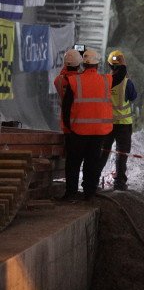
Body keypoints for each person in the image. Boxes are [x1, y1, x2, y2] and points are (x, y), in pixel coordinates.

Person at [61, 48, 117, 200]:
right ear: (97, 65)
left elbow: (66, 109)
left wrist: (69, 127)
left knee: (73, 163)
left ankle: (71, 193)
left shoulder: (74, 81)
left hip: (78, 131)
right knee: (92, 163)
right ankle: (89, 194)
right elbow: (120, 75)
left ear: (83, 65)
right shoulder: (106, 80)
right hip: (99, 132)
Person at [98, 50, 137, 191]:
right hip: (124, 125)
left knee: (103, 152)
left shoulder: (104, 81)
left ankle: (94, 178)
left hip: (107, 124)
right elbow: (133, 97)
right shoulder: (128, 83)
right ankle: (119, 182)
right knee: (121, 154)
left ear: (109, 65)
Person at [54, 49, 83, 201]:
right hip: (81, 125)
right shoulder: (80, 80)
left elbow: (62, 75)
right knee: (83, 159)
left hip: (67, 125)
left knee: (71, 161)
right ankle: (84, 189)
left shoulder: (59, 80)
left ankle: (70, 191)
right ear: (79, 65)